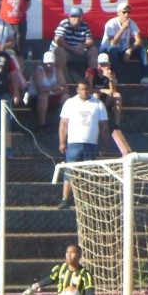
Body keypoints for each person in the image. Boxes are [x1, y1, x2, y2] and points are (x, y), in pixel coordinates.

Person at [57, 80, 109, 209]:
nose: (84, 92)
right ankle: (65, 199)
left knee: (88, 173)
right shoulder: (70, 103)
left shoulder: (98, 104)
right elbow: (63, 124)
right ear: (77, 90)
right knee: (69, 171)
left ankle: (86, 202)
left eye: (86, 89)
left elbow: (104, 126)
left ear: (90, 89)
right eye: (81, 89)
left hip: (91, 144)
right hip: (73, 143)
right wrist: (62, 142)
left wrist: (104, 144)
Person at [100, 3, 148, 83]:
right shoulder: (111, 23)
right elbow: (112, 43)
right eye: (124, 12)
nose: (127, 14)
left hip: (123, 52)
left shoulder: (131, 23)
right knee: (113, 49)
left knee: (142, 50)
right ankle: (116, 77)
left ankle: (145, 77)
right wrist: (123, 29)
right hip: (107, 52)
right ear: (118, 13)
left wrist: (130, 50)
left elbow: (139, 41)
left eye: (128, 12)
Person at [50, 6, 96, 79]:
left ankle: (94, 80)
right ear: (69, 16)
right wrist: (73, 48)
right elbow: (58, 40)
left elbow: (90, 40)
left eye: (78, 16)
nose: (76, 18)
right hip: (65, 50)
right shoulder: (64, 24)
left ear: (81, 17)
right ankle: (58, 80)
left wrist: (83, 45)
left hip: (79, 50)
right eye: (73, 16)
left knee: (93, 50)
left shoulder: (85, 25)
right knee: (59, 50)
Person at [28, 51, 68, 132]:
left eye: (51, 63)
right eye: (48, 63)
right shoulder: (39, 71)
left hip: (50, 96)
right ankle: (42, 124)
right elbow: (40, 89)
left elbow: (65, 88)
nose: (50, 66)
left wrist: (50, 92)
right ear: (44, 63)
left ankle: (65, 122)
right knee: (43, 96)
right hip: (35, 98)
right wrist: (56, 87)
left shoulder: (57, 71)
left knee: (65, 96)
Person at [85, 52, 124, 132]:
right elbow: (88, 88)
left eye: (106, 64)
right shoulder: (91, 72)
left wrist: (110, 78)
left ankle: (117, 124)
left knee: (117, 95)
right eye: (102, 64)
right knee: (96, 95)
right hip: (94, 97)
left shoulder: (111, 73)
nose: (104, 67)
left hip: (106, 98)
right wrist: (102, 90)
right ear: (98, 64)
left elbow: (113, 90)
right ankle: (96, 121)